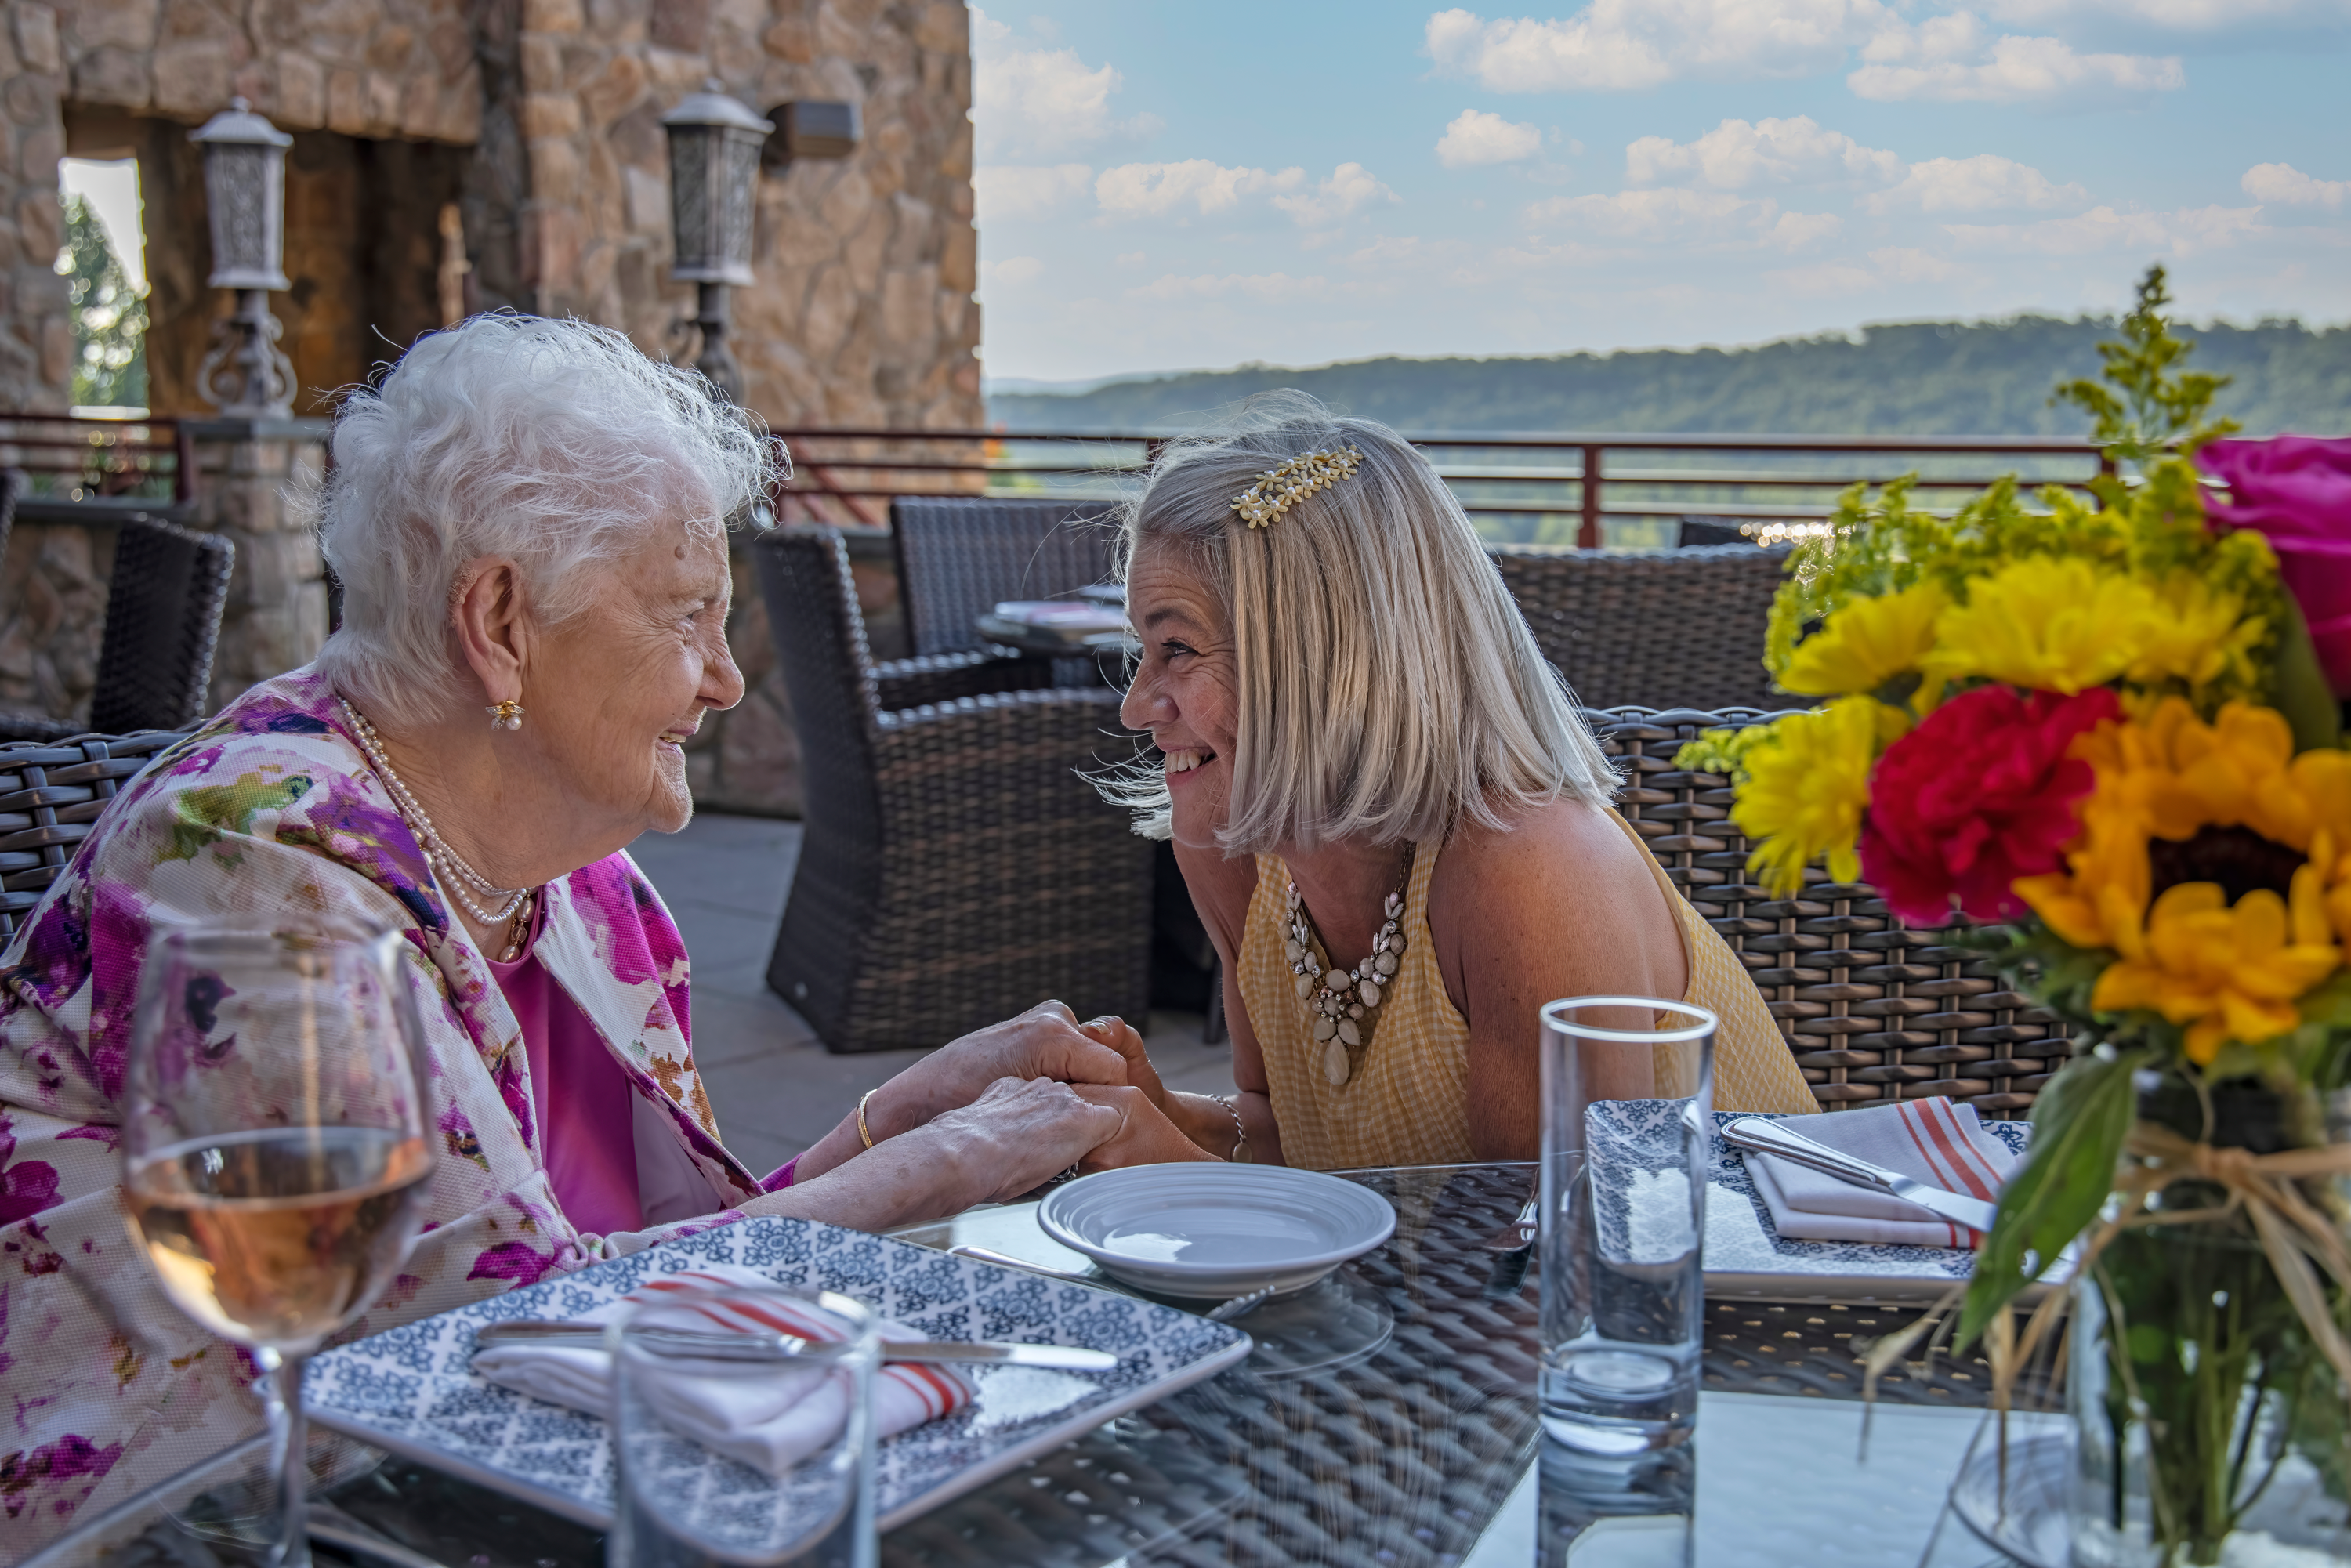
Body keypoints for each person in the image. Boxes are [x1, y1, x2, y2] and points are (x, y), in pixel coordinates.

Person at [0, 316, 1162, 1546]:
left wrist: (906, 1116)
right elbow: (473, 1343)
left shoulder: (592, 893)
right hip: (194, 1518)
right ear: (500, 623)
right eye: (685, 616)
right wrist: (937, 1168)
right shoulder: (255, 859)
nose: (725, 678)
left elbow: (648, 1278)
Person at [1096, 394, 1819, 1172]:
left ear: (1326, 667)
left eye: (1177, 648)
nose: (1137, 707)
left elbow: (1539, 1260)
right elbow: (1286, 1136)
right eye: (1143, 648)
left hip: (1739, 1293)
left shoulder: (1531, 872)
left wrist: (1167, 1163)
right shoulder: (1230, 840)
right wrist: (1153, 1119)